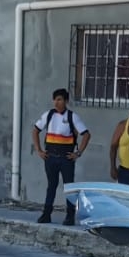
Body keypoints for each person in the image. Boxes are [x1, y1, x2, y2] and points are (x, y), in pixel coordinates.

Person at [30, 88, 90, 225]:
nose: (56, 103)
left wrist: (78, 153)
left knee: (69, 187)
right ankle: (46, 214)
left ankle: (70, 216)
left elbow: (86, 134)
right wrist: (39, 150)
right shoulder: (48, 115)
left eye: (60, 99)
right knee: (51, 185)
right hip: (50, 156)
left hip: (66, 157)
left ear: (66, 101)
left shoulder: (72, 116)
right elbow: (35, 130)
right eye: (55, 99)